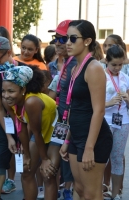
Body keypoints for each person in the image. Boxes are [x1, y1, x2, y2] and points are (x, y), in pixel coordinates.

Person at [59, 20, 113, 200]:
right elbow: (74, 106)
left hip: (94, 140)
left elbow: (99, 111)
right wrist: (67, 139)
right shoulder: (75, 67)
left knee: (91, 193)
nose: (67, 43)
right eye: (66, 38)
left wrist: (89, 147)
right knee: (80, 189)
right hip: (76, 135)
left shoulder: (94, 68)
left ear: (87, 41)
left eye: (73, 38)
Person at [0, 63, 59, 200]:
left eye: (11, 91)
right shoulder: (7, 101)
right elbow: (21, 128)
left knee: (47, 174)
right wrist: (26, 154)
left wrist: (44, 159)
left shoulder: (32, 101)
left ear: (23, 89)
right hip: (39, 134)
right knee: (26, 172)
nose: (6, 95)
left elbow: (36, 132)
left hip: (55, 134)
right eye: (4, 91)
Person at [0, 36, 26, 200]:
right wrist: (9, 136)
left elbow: (32, 104)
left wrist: (25, 136)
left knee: (27, 167)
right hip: (7, 123)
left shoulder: (25, 71)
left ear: (9, 52)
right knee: (0, 160)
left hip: (26, 123)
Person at [48, 19, 77, 200]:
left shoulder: (76, 65)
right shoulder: (65, 62)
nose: (56, 43)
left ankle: (68, 189)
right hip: (62, 121)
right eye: (55, 38)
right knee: (55, 165)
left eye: (61, 38)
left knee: (65, 162)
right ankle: (65, 189)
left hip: (71, 123)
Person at [100, 34, 127, 198]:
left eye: (120, 64)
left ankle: (116, 193)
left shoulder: (126, 78)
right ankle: (97, 190)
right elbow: (91, 104)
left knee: (117, 158)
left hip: (123, 122)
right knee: (101, 159)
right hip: (104, 121)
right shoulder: (101, 76)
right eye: (114, 64)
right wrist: (108, 103)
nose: (117, 68)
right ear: (106, 61)